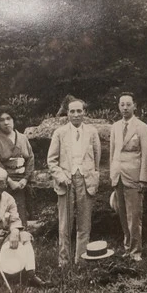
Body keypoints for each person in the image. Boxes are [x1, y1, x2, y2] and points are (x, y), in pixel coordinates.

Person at [47, 98, 101, 266]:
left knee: (84, 223)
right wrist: (61, 177)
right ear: (67, 114)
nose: (76, 114)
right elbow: (51, 161)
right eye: (72, 111)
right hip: (66, 181)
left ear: (84, 112)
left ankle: (82, 260)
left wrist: (92, 174)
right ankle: (64, 261)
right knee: (65, 223)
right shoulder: (60, 133)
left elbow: (97, 158)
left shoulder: (92, 132)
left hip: (85, 180)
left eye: (79, 111)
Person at [109, 92, 147, 261]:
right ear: (118, 107)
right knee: (122, 214)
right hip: (118, 176)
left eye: (128, 104)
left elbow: (146, 155)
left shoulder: (142, 127)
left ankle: (135, 252)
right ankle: (127, 248)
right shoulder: (115, 127)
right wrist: (112, 174)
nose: (125, 108)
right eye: (122, 105)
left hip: (134, 177)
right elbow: (113, 153)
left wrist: (144, 179)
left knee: (134, 216)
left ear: (135, 106)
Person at [0, 106, 35, 226]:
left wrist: (25, 179)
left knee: (20, 217)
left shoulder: (23, 138)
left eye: (8, 118)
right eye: (2, 120)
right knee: (3, 218)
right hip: (3, 184)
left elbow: (30, 159)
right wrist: (10, 182)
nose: (6, 122)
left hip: (21, 183)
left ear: (13, 120)